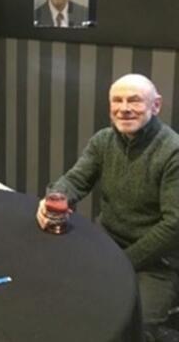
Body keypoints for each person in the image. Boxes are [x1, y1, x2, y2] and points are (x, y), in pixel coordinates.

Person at [36, 74, 179, 341]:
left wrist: (123, 262)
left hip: (157, 263)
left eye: (134, 100)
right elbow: (75, 180)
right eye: (117, 100)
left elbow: (174, 226)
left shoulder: (173, 152)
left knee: (133, 326)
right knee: (61, 297)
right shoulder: (103, 140)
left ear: (156, 105)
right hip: (107, 243)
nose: (124, 108)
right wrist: (52, 200)